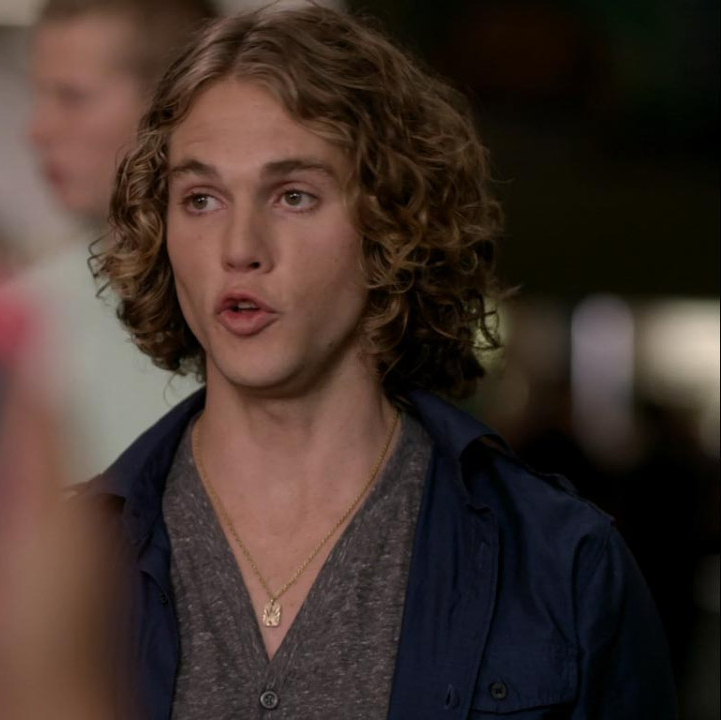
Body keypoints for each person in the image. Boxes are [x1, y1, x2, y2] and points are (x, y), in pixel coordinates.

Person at [85, 7, 678, 719]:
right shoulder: (60, 560)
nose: (239, 247)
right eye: (201, 198)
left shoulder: (562, 566)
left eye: (294, 196)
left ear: (391, 224)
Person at [22, 0, 216, 482]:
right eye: (39, 95)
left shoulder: (252, 303)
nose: (37, 130)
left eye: (72, 97)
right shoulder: (23, 315)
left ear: (174, 105)